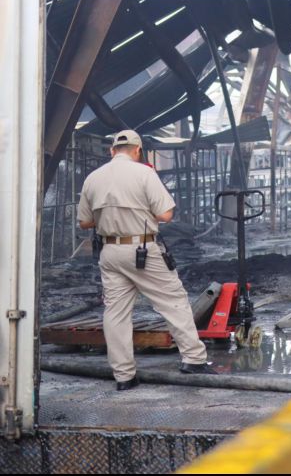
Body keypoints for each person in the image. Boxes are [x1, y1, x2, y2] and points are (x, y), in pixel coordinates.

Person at [77, 130, 216, 391]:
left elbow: (85, 222)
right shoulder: (144, 173)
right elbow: (165, 215)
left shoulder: (92, 178)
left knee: (116, 313)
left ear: (111, 151)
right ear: (138, 150)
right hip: (142, 250)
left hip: (110, 252)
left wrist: (111, 214)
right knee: (173, 301)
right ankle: (194, 359)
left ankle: (124, 377)